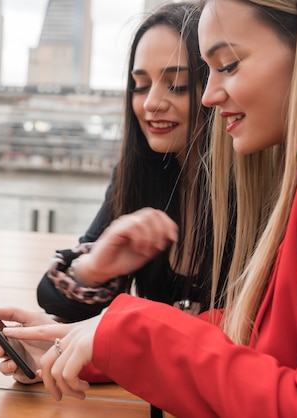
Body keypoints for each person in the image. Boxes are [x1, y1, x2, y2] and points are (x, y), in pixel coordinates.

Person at [0, 0, 297, 416]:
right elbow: (259, 329)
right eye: (140, 84)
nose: (210, 96)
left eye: (228, 65)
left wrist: (127, 332)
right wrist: (83, 340)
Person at [36, 1, 235, 324]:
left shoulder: (258, 191)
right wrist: (95, 267)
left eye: (177, 85)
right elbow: (52, 299)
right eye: (140, 86)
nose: (152, 103)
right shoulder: (139, 173)